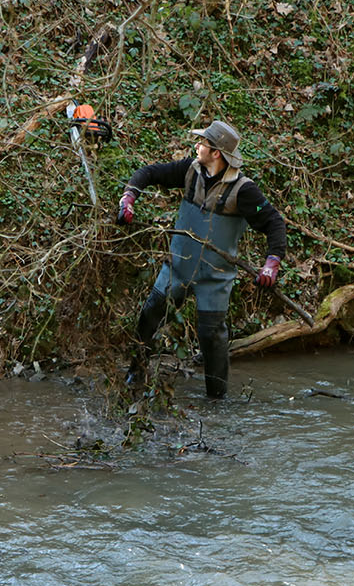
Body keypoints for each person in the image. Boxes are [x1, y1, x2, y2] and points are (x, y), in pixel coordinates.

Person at [116, 119, 287, 399]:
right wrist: (129, 197)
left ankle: (217, 399)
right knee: (150, 315)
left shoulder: (245, 191)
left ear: (216, 153)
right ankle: (136, 369)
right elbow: (148, 173)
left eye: (203, 143)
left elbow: (273, 221)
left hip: (215, 279)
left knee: (212, 338)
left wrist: (272, 262)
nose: (198, 145)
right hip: (178, 268)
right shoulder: (189, 170)